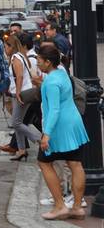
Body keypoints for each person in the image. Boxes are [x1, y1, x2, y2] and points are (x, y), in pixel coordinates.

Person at [36, 45, 89, 220]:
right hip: (74, 123)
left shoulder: (51, 81)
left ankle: (59, 206)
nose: (37, 63)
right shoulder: (62, 73)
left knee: (44, 162)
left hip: (60, 127)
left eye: (39, 60)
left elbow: (54, 110)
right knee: (75, 164)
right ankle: (76, 207)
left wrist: (46, 134)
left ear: (48, 62)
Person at [4, 35, 41, 162]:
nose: (5, 50)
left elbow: (19, 76)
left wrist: (18, 92)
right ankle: (21, 150)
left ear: (11, 46)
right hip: (22, 92)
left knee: (16, 123)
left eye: (6, 47)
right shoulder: (21, 56)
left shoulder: (16, 57)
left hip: (22, 94)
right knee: (18, 122)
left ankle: (39, 140)